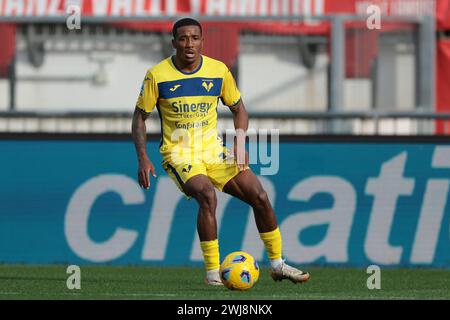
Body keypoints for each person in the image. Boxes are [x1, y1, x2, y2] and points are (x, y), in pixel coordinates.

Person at [132, 17, 310, 286]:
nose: (189, 44)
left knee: (259, 196)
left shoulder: (218, 71)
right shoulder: (157, 75)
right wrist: (143, 157)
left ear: (202, 42)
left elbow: (239, 109)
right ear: (174, 43)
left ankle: (278, 265)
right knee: (207, 194)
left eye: (194, 38)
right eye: (183, 38)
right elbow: (139, 118)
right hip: (179, 154)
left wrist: (239, 141)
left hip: (214, 151)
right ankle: (214, 273)